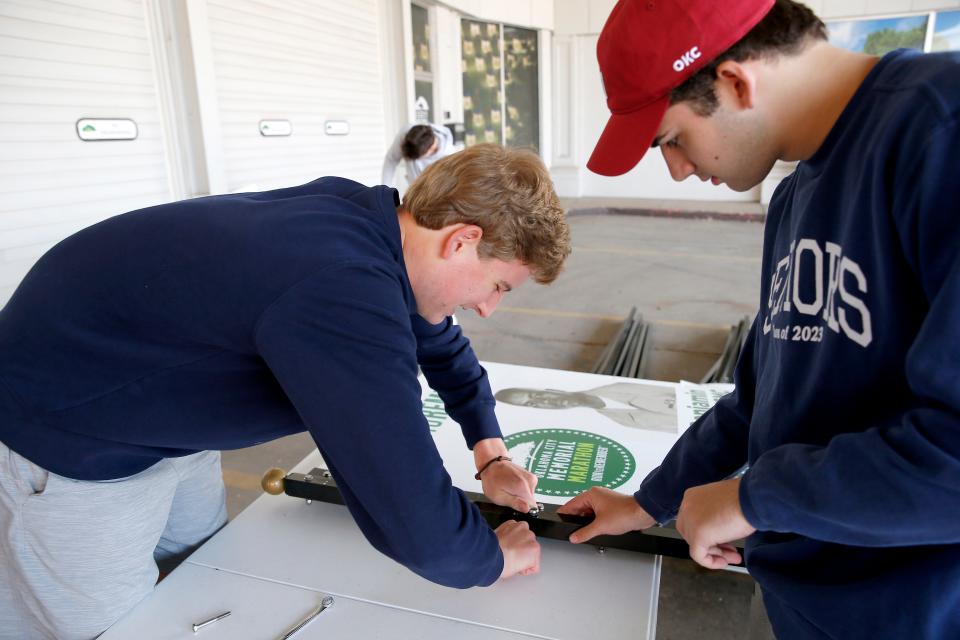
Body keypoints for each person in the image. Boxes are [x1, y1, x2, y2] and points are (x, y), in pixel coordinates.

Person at [0, 143, 572, 640]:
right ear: (463, 240)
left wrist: (489, 452)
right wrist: (490, 557)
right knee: (104, 628)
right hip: (73, 437)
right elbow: (406, 502)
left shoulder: (380, 229)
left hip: (168, 423)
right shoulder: (343, 284)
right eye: (498, 284)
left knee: (207, 578)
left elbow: (441, 346)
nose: (488, 307)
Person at [558, 1, 960, 638]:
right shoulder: (796, 195)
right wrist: (650, 501)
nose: (678, 168)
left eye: (672, 139)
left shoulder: (940, 133)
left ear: (734, 82)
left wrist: (754, 498)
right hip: (806, 597)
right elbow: (758, 401)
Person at [495, 382, 677, 432]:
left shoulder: (620, 388)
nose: (544, 401)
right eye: (533, 404)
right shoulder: (619, 421)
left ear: (552, 389)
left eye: (535, 395)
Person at [381, 122, 456, 187]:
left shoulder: (449, 157)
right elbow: (391, 159)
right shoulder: (407, 133)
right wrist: (385, 189)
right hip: (412, 190)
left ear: (431, 149)